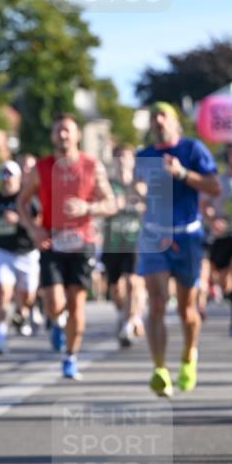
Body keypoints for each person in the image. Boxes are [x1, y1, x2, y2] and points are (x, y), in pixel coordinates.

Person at [17, 114, 116, 379]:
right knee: (54, 303)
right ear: (52, 136)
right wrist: (33, 229)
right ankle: (55, 321)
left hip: (82, 242)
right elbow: (21, 202)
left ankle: (70, 357)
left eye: (67, 130)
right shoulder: (42, 167)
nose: (63, 135)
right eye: (58, 130)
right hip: (52, 240)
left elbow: (111, 203)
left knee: (76, 305)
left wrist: (88, 207)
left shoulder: (92, 166)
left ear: (77, 135)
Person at [134, 101, 220, 397]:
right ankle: (159, 369)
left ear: (175, 122)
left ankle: (188, 356)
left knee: (187, 310)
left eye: (163, 115)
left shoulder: (193, 149)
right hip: (154, 236)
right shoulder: (144, 156)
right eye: (153, 117)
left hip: (187, 237)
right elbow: (136, 188)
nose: (158, 121)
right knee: (157, 302)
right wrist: (137, 192)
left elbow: (214, 186)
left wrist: (182, 173)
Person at [0, 160, 40, 354]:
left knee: (28, 296)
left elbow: (38, 223)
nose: (6, 179)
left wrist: (18, 219)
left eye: (10, 175)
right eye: (2, 175)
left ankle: (21, 311)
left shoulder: (27, 199)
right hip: (1, 252)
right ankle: (0, 338)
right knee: (1, 292)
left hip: (26, 252)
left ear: (18, 178)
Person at [101, 144, 146, 346]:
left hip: (135, 240)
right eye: (118, 156)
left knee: (132, 283)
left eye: (126, 156)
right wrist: (111, 206)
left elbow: (153, 208)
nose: (121, 160)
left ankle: (128, 324)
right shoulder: (108, 186)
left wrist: (142, 201)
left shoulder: (140, 184)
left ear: (133, 160)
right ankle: (123, 314)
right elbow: (100, 208)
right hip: (112, 242)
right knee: (115, 288)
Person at [206, 141, 232, 339]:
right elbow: (205, 204)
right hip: (222, 235)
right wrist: (213, 219)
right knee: (224, 282)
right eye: (231, 154)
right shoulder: (219, 182)